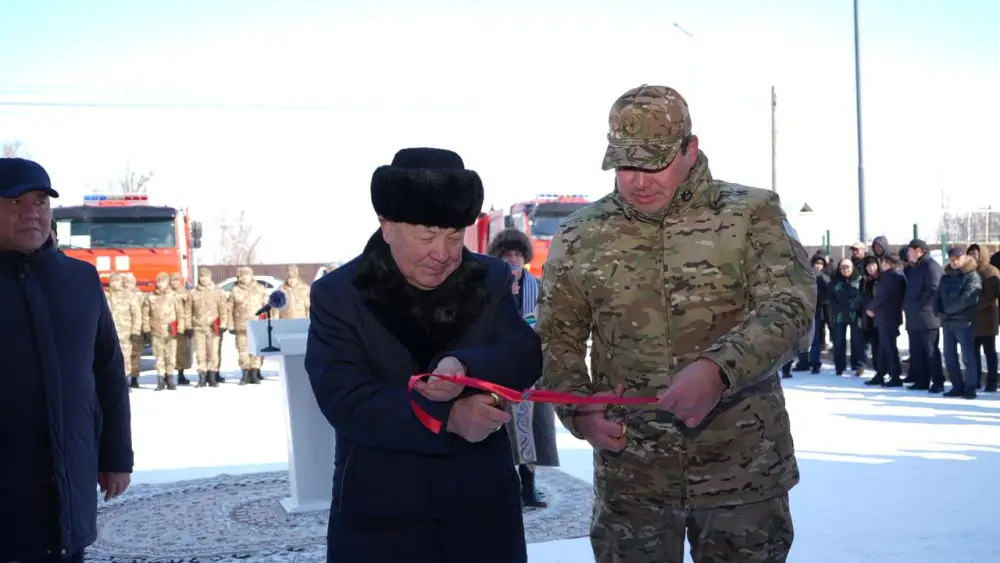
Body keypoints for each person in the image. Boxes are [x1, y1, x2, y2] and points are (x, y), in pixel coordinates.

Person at [537, 85, 816, 563]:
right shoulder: (581, 235)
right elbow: (556, 336)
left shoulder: (751, 214)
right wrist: (578, 409)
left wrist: (718, 370)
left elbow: (791, 308)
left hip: (741, 472)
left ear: (691, 149)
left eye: (654, 163)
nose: (639, 181)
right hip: (633, 477)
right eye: (626, 165)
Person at [304, 147, 542, 563]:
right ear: (387, 225)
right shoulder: (341, 295)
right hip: (382, 515)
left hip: (481, 515)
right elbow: (345, 398)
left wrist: (468, 367)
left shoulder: (490, 279)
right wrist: (447, 418)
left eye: (454, 236)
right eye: (427, 236)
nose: (443, 253)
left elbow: (523, 353)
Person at [0, 157, 134, 563]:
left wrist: (115, 457)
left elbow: (108, 373)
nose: (32, 213)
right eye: (15, 202)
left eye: (40, 201)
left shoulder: (80, 279)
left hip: (68, 481)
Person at [487, 228, 560, 507]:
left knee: (529, 431)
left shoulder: (537, 287)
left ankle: (528, 489)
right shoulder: (489, 288)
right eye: (507, 255)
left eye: (517, 254)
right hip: (497, 373)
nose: (513, 260)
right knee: (499, 432)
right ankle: (501, 489)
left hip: (529, 371)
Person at [933, 247, 981, 398]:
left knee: (967, 357)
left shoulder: (972, 276)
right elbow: (937, 296)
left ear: (965, 258)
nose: (954, 262)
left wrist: (947, 311)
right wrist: (938, 311)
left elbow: (967, 299)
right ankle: (957, 386)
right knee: (949, 356)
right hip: (948, 323)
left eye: (957, 259)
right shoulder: (945, 277)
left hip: (964, 322)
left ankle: (971, 388)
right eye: (952, 260)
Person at [904, 239, 946, 392]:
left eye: (910, 251)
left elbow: (933, 289)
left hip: (928, 317)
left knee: (931, 351)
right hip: (914, 317)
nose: (908, 254)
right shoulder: (916, 267)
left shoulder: (931, 266)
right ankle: (922, 381)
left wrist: (917, 305)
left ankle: (938, 381)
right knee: (917, 352)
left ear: (919, 251)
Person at [865, 254, 906, 387]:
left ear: (887, 263)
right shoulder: (896, 275)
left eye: (883, 263)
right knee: (883, 347)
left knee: (888, 347)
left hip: (887, 317)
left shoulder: (891, 277)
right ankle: (881, 373)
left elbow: (881, 295)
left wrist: (870, 307)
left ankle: (895, 375)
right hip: (888, 316)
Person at [828, 258, 866, 375]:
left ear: (852, 268)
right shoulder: (834, 282)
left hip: (855, 314)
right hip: (839, 315)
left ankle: (858, 365)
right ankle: (840, 367)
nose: (845, 270)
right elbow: (830, 299)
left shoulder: (860, 280)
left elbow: (863, 296)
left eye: (848, 267)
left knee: (857, 341)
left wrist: (854, 305)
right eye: (843, 267)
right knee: (838, 341)